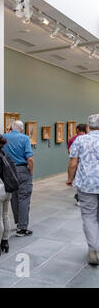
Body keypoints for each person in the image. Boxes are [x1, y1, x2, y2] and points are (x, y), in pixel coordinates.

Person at [67, 114, 99, 266]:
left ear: (88, 126)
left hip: (87, 184)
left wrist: (70, 178)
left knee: (89, 216)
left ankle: (93, 249)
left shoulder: (80, 139)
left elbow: (73, 163)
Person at [3, 120, 34, 237]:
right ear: (21, 129)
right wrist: (30, 171)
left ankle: (18, 222)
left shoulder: (3, 137)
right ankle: (22, 228)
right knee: (24, 198)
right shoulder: (25, 138)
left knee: (14, 197)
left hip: (8, 171)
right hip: (21, 169)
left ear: (11, 128)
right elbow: (30, 158)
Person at [67, 124, 88, 206]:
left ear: (78, 129)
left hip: (77, 162)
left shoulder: (73, 139)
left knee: (78, 180)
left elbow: (69, 151)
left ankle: (79, 198)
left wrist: (69, 178)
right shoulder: (88, 138)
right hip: (88, 165)